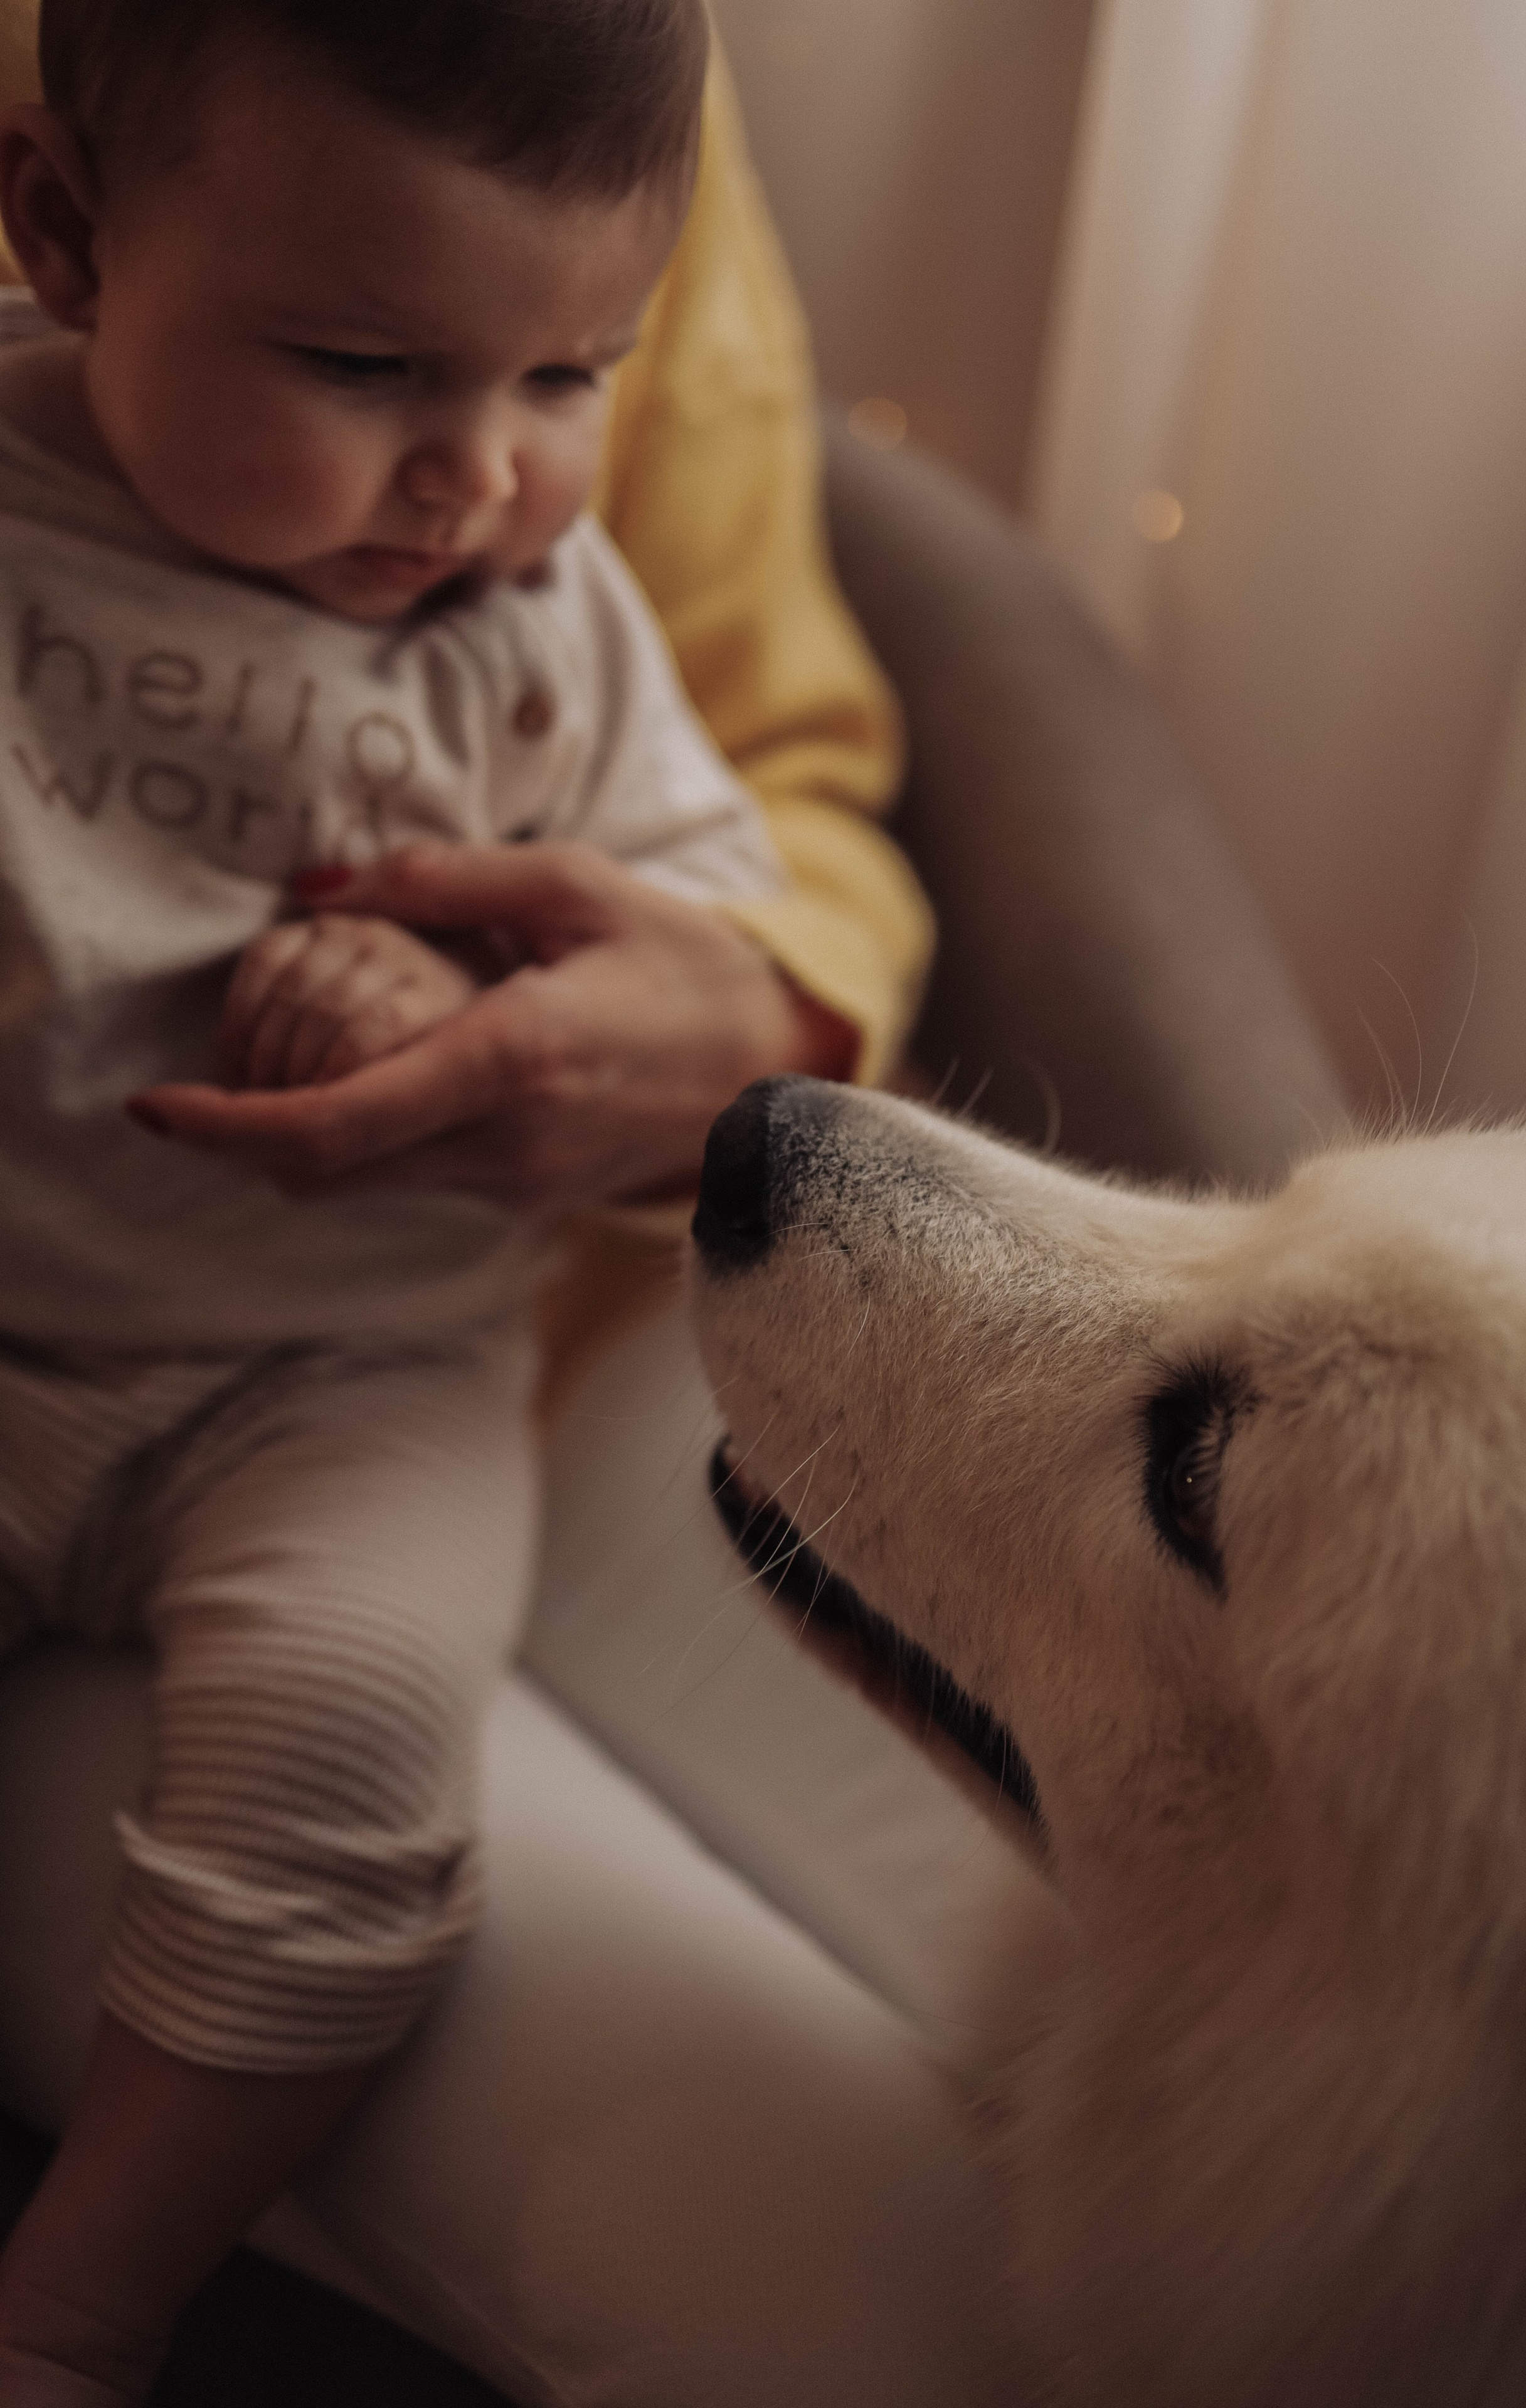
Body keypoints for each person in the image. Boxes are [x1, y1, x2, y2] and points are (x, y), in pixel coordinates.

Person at [0, 0, 814, 2396]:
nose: (475, 474)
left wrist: (467, 965)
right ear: (61, 231)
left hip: (347, 1374)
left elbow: (707, 936)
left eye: (574, 374)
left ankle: (75, 2308)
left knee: (356, 1772)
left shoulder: (549, 627)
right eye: (366, 361)